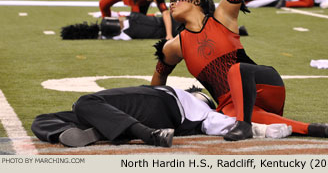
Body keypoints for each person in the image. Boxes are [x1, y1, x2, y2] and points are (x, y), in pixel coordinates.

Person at [150, 0, 328, 141]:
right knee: (224, 113)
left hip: (264, 85)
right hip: (234, 106)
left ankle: (244, 126)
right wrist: (153, 109)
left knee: (236, 71)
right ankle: (311, 129)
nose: (172, 2)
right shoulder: (174, 46)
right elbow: (158, 80)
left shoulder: (223, 16)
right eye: (170, 0)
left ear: (196, 0)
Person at [31, 85, 292, 148]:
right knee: (42, 119)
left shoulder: (194, 103)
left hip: (155, 111)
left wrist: (265, 130)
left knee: (85, 102)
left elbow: (216, 122)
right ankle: (105, 130)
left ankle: (147, 135)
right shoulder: (196, 111)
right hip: (124, 114)